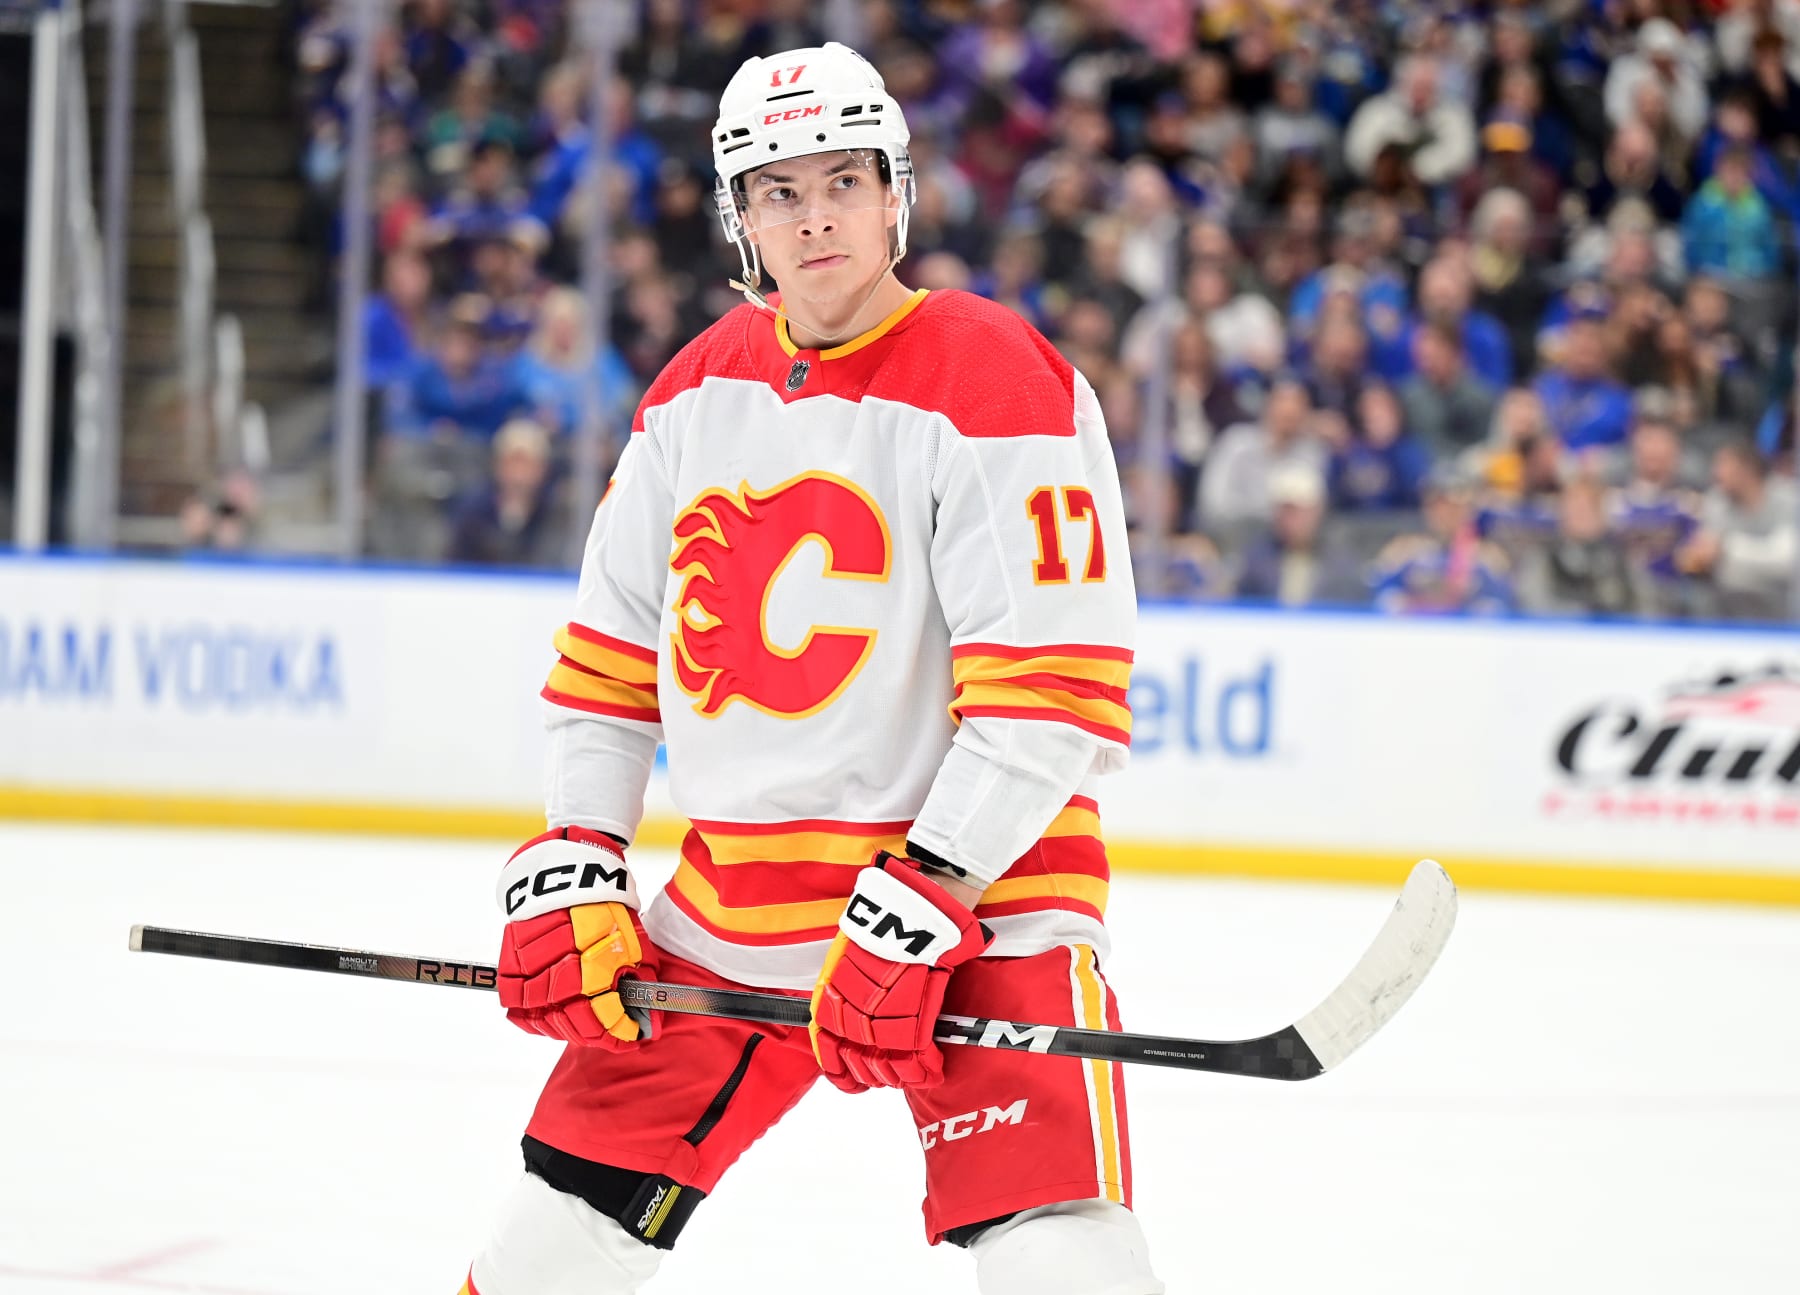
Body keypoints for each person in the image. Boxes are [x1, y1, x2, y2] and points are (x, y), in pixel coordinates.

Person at [460, 43, 1161, 1295]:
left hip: (983, 905)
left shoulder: (1000, 375)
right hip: (733, 911)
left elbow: (1051, 692)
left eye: (843, 178)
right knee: (546, 1248)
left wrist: (933, 883)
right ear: (742, 219)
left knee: (1058, 1253)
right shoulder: (691, 394)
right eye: (780, 190)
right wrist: (579, 857)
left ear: (896, 191)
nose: (817, 214)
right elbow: (610, 668)